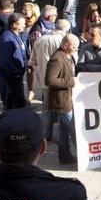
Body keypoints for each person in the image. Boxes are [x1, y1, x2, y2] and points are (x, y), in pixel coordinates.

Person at [28, 18, 70, 141]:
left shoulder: (40, 40)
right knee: (63, 110)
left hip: (44, 80)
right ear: (66, 30)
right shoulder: (63, 42)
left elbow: (32, 63)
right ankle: (62, 137)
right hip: (59, 81)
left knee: (46, 110)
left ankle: (45, 136)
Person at [45, 34, 80, 165]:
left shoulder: (67, 55)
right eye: (74, 47)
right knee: (70, 128)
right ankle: (69, 155)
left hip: (67, 98)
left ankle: (64, 155)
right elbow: (50, 80)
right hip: (62, 100)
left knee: (64, 130)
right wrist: (71, 81)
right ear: (65, 45)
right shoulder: (57, 59)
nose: (76, 49)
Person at [0, 13, 28, 110]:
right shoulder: (6, 38)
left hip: (17, 73)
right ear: (14, 25)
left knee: (12, 99)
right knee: (18, 100)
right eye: (22, 24)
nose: (24, 25)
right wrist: (15, 73)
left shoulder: (16, 34)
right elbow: (6, 60)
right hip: (13, 75)